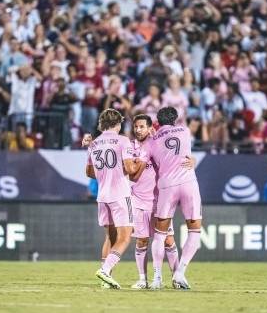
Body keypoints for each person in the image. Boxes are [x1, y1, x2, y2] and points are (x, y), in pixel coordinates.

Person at [128, 114, 191, 290]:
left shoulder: (158, 144)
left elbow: (176, 159)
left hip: (159, 199)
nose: (138, 130)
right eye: (136, 127)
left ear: (150, 128)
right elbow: (129, 172)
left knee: (168, 240)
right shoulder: (129, 147)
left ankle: (176, 278)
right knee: (141, 241)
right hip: (139, 200)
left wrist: (190, 161)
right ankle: (142, 279)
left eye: (141, 126)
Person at [143, 107, 202, 290]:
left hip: (167, 185)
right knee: (195, 231)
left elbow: (151, 162)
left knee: (160, 235)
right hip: (188, 182)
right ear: (175, 119)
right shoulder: (185, 131)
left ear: (157, 121)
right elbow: (187, 155)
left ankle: (157, 279)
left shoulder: (152, 142)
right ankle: (180, 272)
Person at [85, 109, 142, 289]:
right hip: (120, 194)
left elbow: (88, 172)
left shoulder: (94, 143)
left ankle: (106, 280)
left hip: (103, 196)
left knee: (110, 237)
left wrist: (106, 174)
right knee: (125, 237)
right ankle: (105, 270)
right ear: (118, 124)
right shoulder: (123, 141)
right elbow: (130, 168)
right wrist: (140, 161)